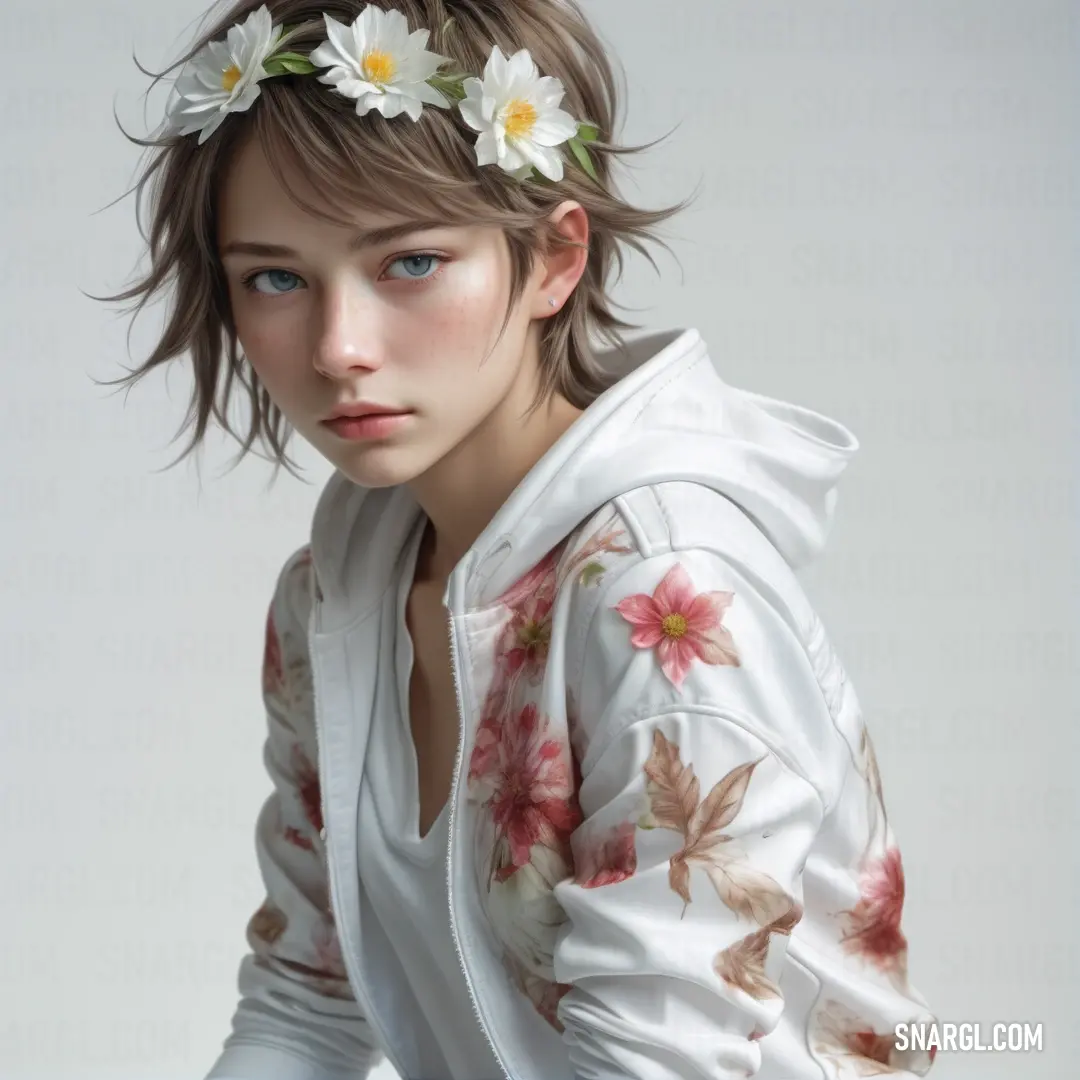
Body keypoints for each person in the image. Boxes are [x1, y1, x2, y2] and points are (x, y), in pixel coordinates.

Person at [97, 1, 937, 1077]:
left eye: (408, 263)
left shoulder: (665, 593)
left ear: (551, 258)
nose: (339, 346)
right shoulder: (331, 601)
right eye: (276, 277)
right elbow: (306, 1006)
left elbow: (659, 1063)